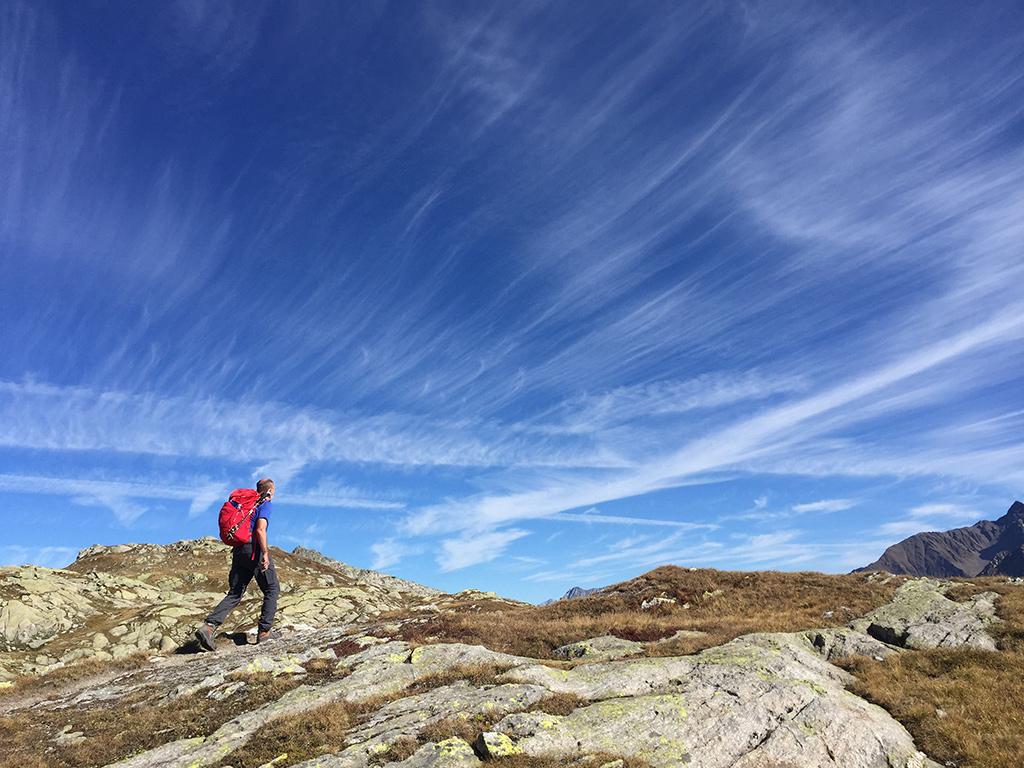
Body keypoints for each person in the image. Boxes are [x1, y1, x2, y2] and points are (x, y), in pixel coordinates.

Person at [195, 478, 281, 650]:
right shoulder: (265, 503)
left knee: (235, 593)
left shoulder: (247, 504)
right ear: (270, 491)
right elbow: (260, 529)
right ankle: (264, 633)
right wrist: (264, 553)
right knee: (272, 588)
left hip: (239, 550)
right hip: (253, 549)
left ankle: (209, 627)